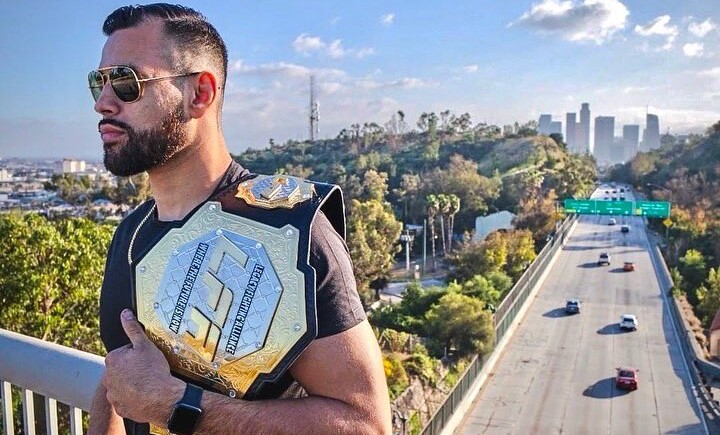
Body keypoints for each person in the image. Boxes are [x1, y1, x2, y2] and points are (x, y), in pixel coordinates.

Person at [87, 4, 391, 435]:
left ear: (200, 94)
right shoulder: (131, 235)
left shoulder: (290, 233)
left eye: (125, 82)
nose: (103, 102)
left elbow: (366, 425)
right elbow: (119, 376)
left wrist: (178, 404)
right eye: (99, 82)